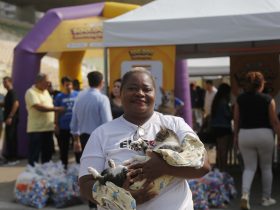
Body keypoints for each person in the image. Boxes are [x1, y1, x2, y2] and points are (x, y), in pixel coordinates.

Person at [78, 67, 211, 210]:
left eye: (147, 89)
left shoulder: (175, 124)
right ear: (120, 93)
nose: (140, 93)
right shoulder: (101, 134)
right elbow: (85, 183)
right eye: (132, 88)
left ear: (155, 94)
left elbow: (203, 166)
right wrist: (119, 197)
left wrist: (164, 167)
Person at [234, 71, 280, 209]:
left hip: (245, 134)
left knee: (249, 168)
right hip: (264, 134)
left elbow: (236, 120)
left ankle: (245, 195)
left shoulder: (240, 99)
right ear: (261, 84)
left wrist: (236, 136)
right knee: (266, 167)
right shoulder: (268, 99)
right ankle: (266, 198)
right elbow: (274, 122)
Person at [70, 71, 112, 210]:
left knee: (88, 172)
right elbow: (108, 123)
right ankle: (100, 202)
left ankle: (92, 204)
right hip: (100, 139)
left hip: (83, 137)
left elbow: (74, 122)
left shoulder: (79, 97)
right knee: (101, 172)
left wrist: (76, 140)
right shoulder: (102, 99)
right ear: (102, 82)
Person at [25, 73, 64, 166]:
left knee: (47, 154)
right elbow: (39, 107)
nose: (49, 84)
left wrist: (55, 123)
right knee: (34, 155)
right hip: (36, 130)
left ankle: (44, 175)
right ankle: (32, 176)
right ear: (39, 82)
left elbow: (50, 106)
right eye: (47, 82)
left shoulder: (46, 92)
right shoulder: (31, 92)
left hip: (48, 128)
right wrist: (56, 109)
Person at [54, 76, 79, 169]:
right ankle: (64, 168)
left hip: (76, 127)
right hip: (63, 126)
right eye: (66, 85)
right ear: (63, 85)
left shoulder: (78, 94)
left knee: (77, 148)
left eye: (69, 84)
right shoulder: (59, 97)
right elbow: (56, 111)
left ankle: (78, 166)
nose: (68, 86)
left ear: (72, 85)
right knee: (63, 149)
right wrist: (56, 124)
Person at [210, 83, 232, 171]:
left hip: (215, 127)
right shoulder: (223, 102)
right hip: (224, 127)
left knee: (219, 149)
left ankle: (219, 167)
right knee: (224, 149)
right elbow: (228, 115)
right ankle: (224, 168)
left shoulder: (216, 101)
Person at [0, 77, 19, 164]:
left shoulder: (12, 92)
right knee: (9, 137)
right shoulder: (8, 93)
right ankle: (11, 157)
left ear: (10, 82)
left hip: (11, 119)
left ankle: (13, 158)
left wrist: (10, 116)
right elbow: (7, 104)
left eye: (5, 82)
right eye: (3, 83)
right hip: (8, 119)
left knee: (11, 138)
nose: (4, 84)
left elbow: (16, 103)